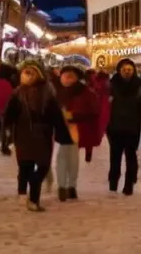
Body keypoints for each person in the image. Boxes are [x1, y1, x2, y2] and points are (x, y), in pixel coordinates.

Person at [3, 60, 71, 211]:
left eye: (31, 72)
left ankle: (27, 195)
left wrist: (63, 134)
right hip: (27, 134)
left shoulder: (46, 93)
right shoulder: (19, 93)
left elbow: (56, 116)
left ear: (38, 74)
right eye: (26, 72)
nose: (27, 75)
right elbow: (9, 115)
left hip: (38, 134)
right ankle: (30, 198)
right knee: (28, 166)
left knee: (40, 166)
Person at [54, 64, 98, 201]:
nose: (67, 79)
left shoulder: (85, 92)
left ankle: (70, 186)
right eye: (65, 76)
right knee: (62, 157)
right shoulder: (58, 91)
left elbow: (94, 111)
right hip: (61, 128)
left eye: (70, 76)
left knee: (70, 157)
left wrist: (73, 115)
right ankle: (63, 186)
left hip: (76, 129)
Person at [107, 58, 141, 195]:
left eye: (130, 70)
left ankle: (129, 185)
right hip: (115, 127)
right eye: (124, 69)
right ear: (119, 70)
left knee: (130, 156)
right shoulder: (111, 85)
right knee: (115, 156)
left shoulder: (139, 86)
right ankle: (113, 183)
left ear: (134, 71)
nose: (127, 72)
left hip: (133, 126)